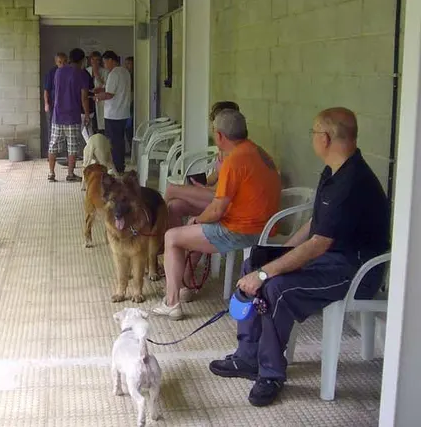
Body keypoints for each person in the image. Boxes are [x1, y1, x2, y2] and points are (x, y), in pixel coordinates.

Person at [208, 107, 391, 407]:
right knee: (253, 264)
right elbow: (316, 223)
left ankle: (270, 373)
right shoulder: (334, 170)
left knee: (277, 288)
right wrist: (277, 257)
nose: (312, 138)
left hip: (354, 271)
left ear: (327, 137)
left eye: (314, 132)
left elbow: (319, 243)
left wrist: (268, 273)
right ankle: (247, 356)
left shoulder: (352, 182)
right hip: (330, 259)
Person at [152, 109, 282, 320]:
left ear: (220, 135)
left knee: (172, 237)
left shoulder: (234, 161)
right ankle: (182, 281)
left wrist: (197, 220)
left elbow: (215, 210)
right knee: (178, 211)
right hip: (266, 227)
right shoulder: (260, 153)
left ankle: (172, 301)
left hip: (241, 230)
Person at [164, 101, 240, 295]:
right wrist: (201, 185)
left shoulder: (238, 154)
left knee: (172, 190)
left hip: (224, 202)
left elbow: (229, 190)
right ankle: (176, 256)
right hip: (213, 194)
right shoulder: (222, 151)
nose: (212, 128)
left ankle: (178, 265)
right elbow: (214, 178)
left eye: (215, 124)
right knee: (175, 206)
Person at [48, 48, 91, 182]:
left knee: (53, 145)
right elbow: (84, 97)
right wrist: (87, 114)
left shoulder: (58, 72)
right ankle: (70, 174)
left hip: (57, 115)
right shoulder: (81, 74)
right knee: (72, 147)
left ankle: (51, 174)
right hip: (72, 116)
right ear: (82, 60)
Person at [95, 51, 131, 174]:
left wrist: (98, 96)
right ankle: (120, 165)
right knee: (119, 140)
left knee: (114, 142)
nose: (104, 65)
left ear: (111, 60)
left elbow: (109, 94)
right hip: (123, 112)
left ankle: (116, 167)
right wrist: (102, 89)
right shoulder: (125, 72)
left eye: (105, 62)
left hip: (113, 114)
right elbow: (117, 89)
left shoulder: (113, 74)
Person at [44, 52, 68, 134]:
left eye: (64, 61)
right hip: (53, 104)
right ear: (56, 62)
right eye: (60, 62)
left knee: (64, 128)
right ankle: (50, 146)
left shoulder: (70, 72)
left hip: (65, 105)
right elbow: (46, 90)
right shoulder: (52, 72)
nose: (62, 64)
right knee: (51, 127)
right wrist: (46, 104)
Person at [86, 51, 108, 134]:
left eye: (97, 60)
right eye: (93, 59)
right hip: (89, 100)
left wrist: (97, 75)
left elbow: (107, 86)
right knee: (90, 126)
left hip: (100, 100)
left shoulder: (105, 71)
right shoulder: (86, 71)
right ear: (90, 60)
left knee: (100, 124)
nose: (95, 62)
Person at [124, 56, 135, 150]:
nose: (126, 66)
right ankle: (131, 149)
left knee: (130, 128)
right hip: (128, 104)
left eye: (128, 63)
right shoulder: (126, 76)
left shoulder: (134, 77)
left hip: (133, 104)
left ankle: (132, 149)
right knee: (128, 128)